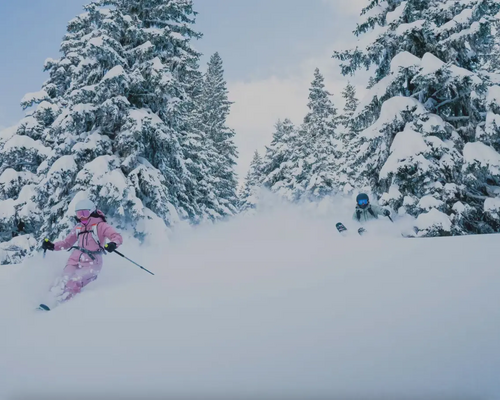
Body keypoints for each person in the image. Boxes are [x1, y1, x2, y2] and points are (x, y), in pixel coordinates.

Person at [39, 199, 123, 311]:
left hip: (92, 262)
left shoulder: (101, 226)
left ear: (92, 212)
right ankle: (46, 303)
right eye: (79, 214)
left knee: (73, 282)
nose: (82, 217)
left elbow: (117, 236)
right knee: (61, 280)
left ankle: (60, 308)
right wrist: (52, 246)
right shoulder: (78, 228)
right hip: (74, 259)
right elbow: (67, 243)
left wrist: (113, 244)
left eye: (85, 213)